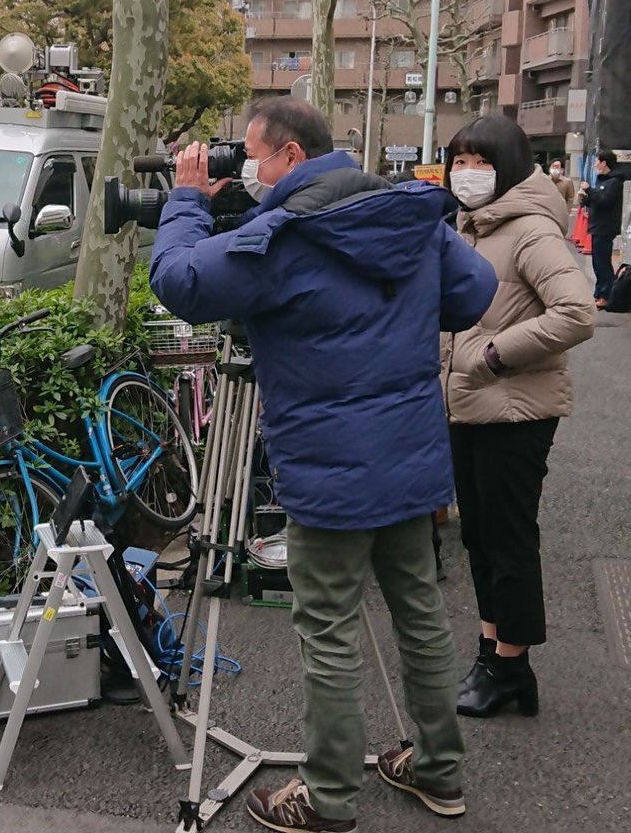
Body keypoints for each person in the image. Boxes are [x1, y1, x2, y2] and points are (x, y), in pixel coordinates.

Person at [151, 97, 498, 833]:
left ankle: (331, 797)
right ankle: (439, 771)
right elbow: (473, 292)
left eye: (253, 154)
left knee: (330, 629)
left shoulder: (283, 238)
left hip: (329, 470)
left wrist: (186, 198)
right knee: (421, 615)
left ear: (292, 159)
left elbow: (180, 281)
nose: (245, 167)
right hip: (409, 459)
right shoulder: (407, 214)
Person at [440, 117, 595, 720]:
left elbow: (577, 313)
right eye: (459, 160)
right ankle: (492, 652)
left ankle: (511, 666)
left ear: (506, 165)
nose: (466, 173)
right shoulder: (472, 227)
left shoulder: (529, 230)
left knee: (507, 538)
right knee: (479, 535)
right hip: (471, 405)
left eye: (479, 161)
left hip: (515, 411)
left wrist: (494, 354)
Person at [576, 150, 627, 306]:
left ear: (604, 163)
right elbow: (597, 201)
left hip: (606, 227)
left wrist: (589, 189)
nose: (596, 165)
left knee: (602, 263)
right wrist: (585, 199)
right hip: (597, 226)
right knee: (597, 263)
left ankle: (606, 295)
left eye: (597, 161)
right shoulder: (602, 181)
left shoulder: (614, 182)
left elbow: (605, 201)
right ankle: (599, 293)